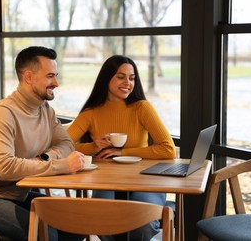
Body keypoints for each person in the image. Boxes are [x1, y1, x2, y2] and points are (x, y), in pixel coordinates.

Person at [0, 46, 85, 241]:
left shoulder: (45, 110)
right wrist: (62, 165)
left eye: (56, 75)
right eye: (50, 76)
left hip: (19, 195)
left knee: (78, 223)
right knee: (46, 234)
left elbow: (67, 144)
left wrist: (44, 158)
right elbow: (5, 168)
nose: (56, 83)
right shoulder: (2, 112)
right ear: (28, 77)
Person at [67, 55, 176, 241]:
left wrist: (123, 152)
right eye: (121, 77)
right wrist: (93, 147)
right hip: (105, 181)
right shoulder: (91, 112)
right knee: (103, 221)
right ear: (106, 78)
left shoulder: (142, 108)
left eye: (132, 78)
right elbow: (63, 146)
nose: (128, 83)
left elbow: (168, 149)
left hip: (145, 180)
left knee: (143, 224)